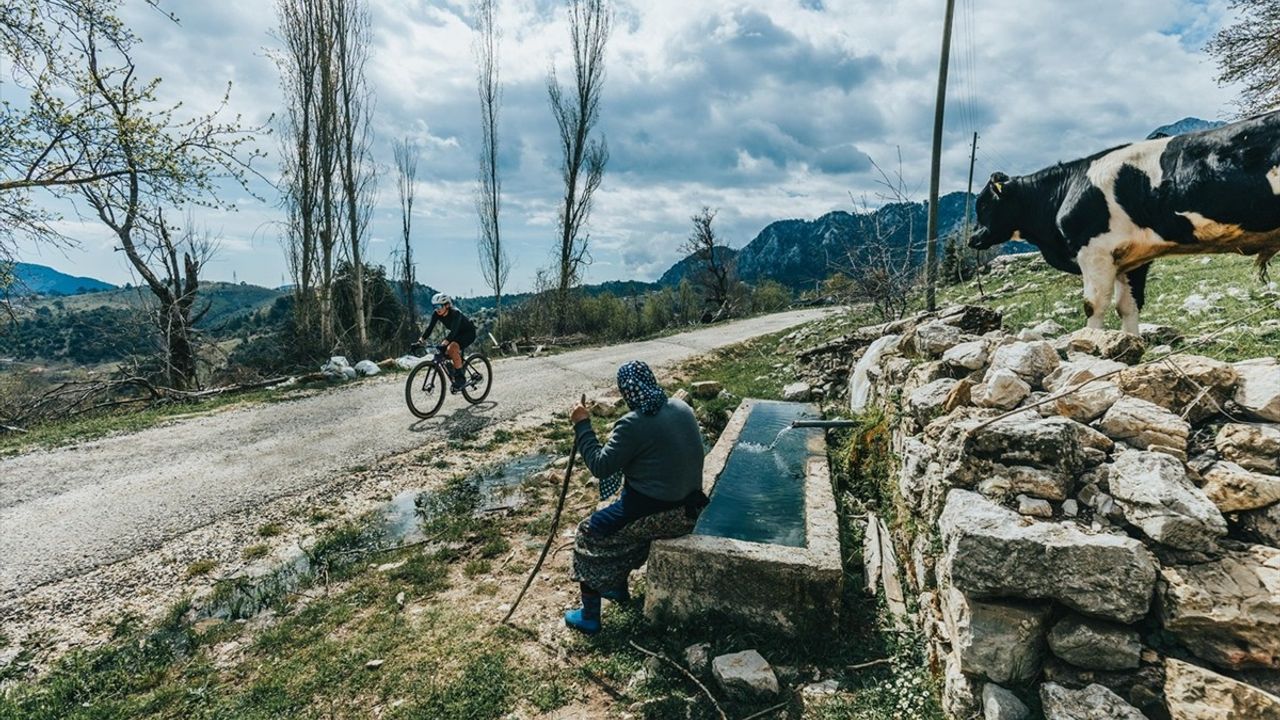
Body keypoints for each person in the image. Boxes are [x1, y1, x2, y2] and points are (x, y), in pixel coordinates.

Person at [563, 360, 708, 635]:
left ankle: (589, 616)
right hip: (691, 507)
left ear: (626, 391)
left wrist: (582, 426)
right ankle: (616, 587)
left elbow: (600, 466)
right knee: (619, 517)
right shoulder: (680, 407)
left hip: (663, 514)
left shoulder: (634, 423)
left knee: (589, 531)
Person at [417, 292, 477, 393]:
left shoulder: (455, 313)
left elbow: (453, 331)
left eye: (439, 306)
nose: (437, 309)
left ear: (447, 305)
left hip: (468, 333)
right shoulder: (437, 313)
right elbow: (429, 328)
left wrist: (445, 342)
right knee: (443, 352)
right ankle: (454, 370)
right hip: (457, 334)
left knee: (451, 348)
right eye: (435, 307)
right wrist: (420, 340)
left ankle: (460, 379)